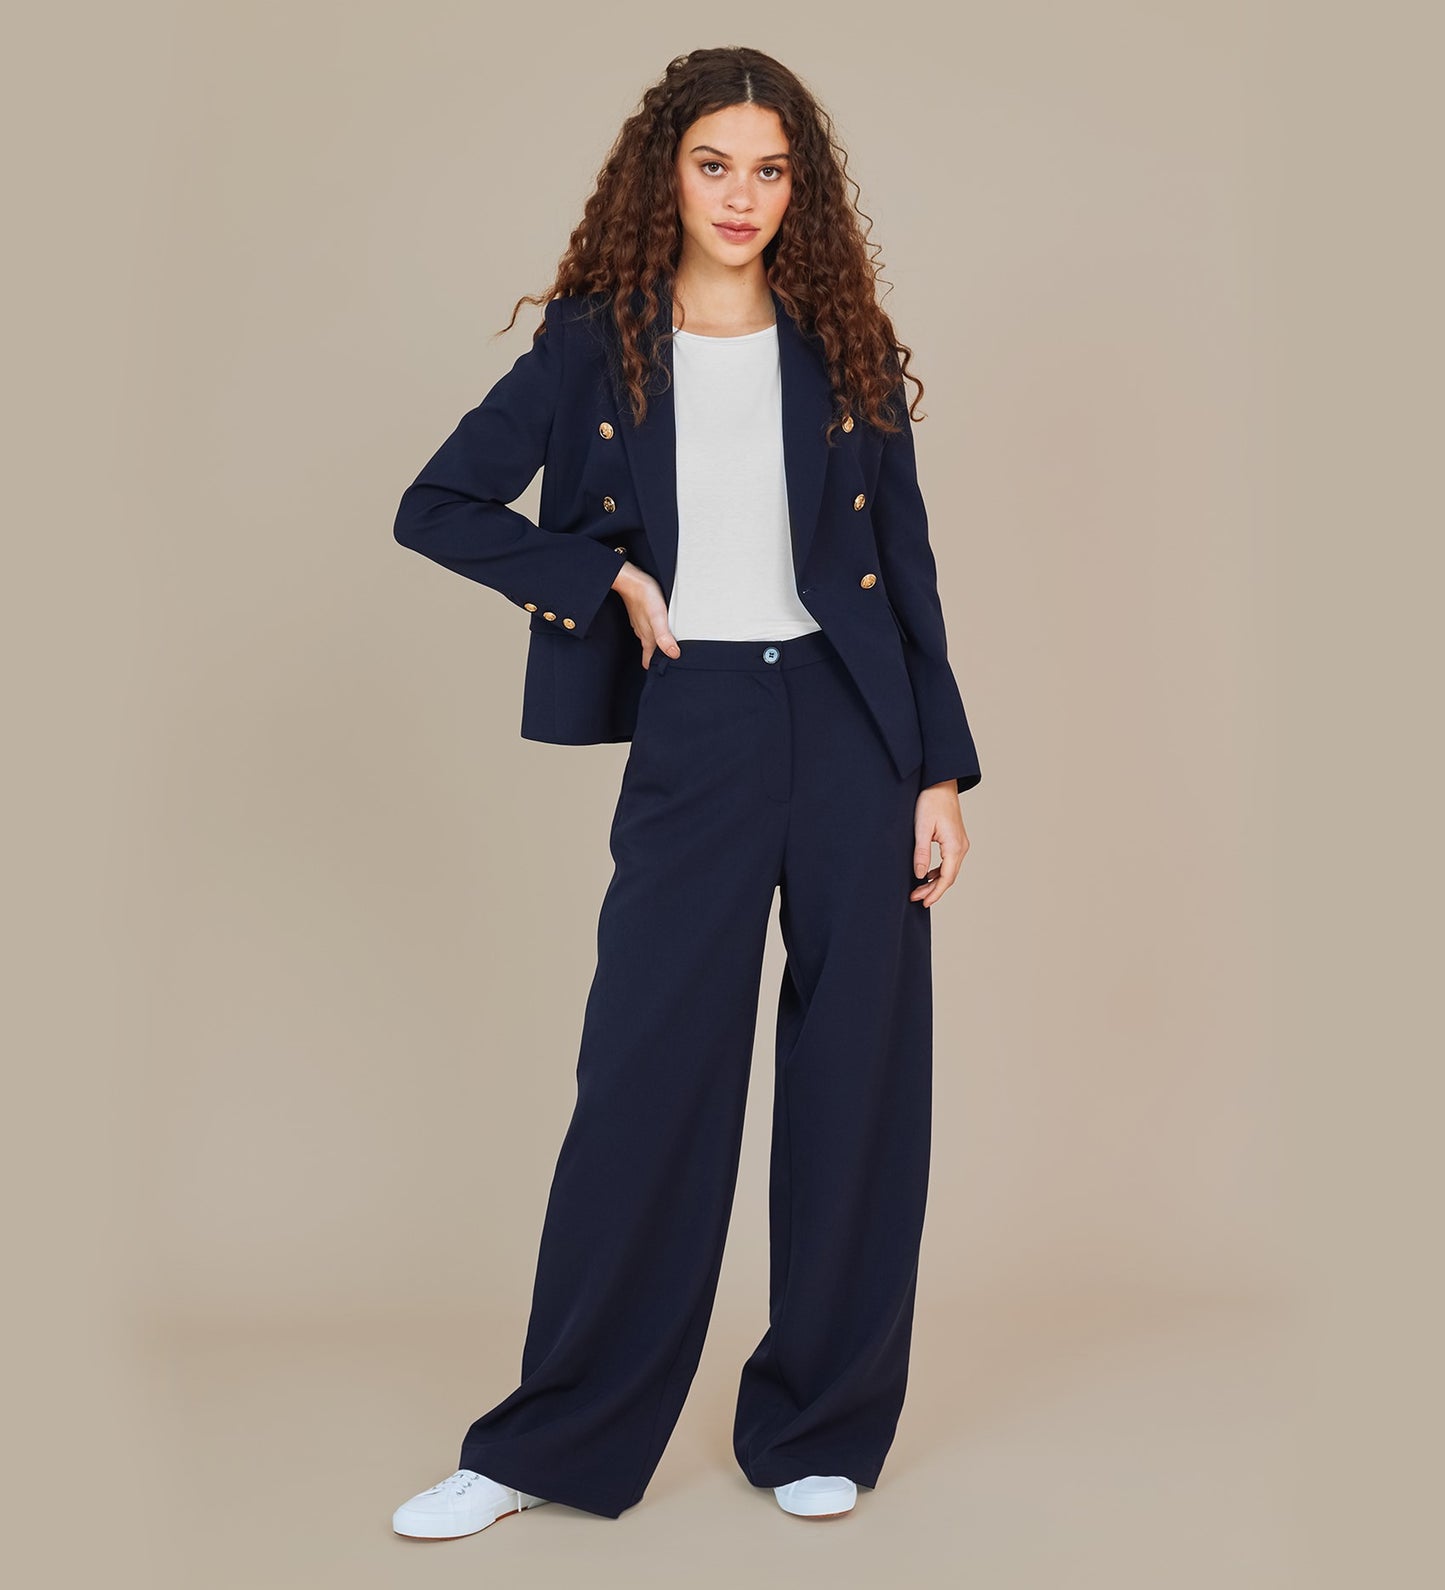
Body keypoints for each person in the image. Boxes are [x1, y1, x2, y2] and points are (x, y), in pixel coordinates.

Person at [389, 46, 981, 1537]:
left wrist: (938, 769)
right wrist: (598, 578)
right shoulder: (595, 346)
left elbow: (902, 568)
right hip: (698, 719)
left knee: (857, 1076)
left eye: (770, 170)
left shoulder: (841, 342)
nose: (741, 195)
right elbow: (435, 504)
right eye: (715, 164)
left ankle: (818, 1424)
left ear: (800, 189)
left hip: (853, 728)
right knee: (647, 1074)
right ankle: (550, 1442)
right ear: (666, 170)